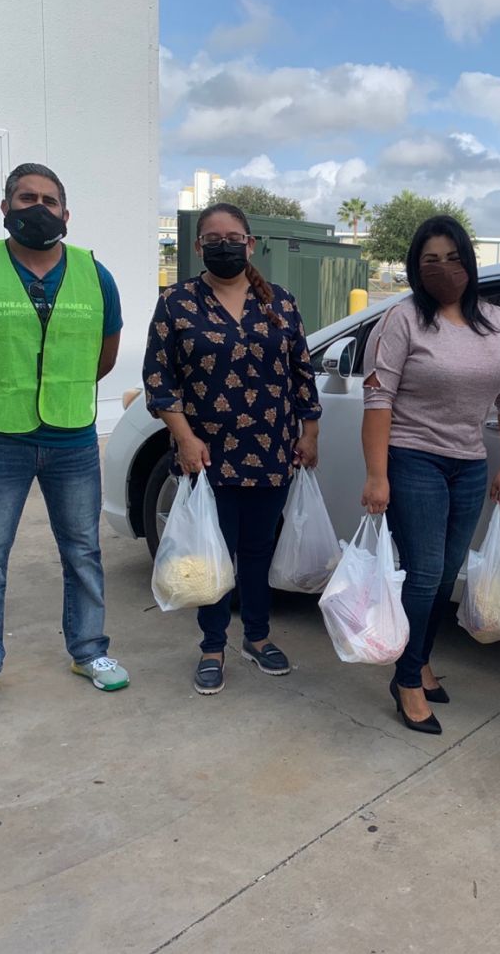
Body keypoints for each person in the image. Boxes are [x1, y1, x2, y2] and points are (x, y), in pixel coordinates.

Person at [0, 163, 128, 716]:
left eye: (48, 200)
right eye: (26, 198)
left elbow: (105, 353)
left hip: (71, 436)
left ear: (66, 214)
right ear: (5, 207)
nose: (37, 208)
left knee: (84, 551)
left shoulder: (96, 274)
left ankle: (89, 651)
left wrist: (58, 393)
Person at [143, 203, 321, 695]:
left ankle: (258, 638)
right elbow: (159, 379)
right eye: (214, 238)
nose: (225, 245)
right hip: (207, 452)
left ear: (250, 243)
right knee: (211, 553)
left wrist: (310, 433)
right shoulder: (177, 303)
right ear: (199, 247)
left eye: (234, 237)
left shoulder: (280, 303)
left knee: (258, 550)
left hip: (272, 449)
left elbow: (302, 372)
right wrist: (183, 436)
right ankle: (213, 646)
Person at [361, 215, 500, 735]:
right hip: (414, 459)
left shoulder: (498, 323)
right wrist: (377, 474)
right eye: (430, 260)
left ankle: (422, 658)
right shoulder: (403, 319)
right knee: (426, 572)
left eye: (452, 257)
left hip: (470, 464)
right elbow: (378, 398)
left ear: (469, 262)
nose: (443, 269)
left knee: (446, 573)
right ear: (415, 267)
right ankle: (407, 680)